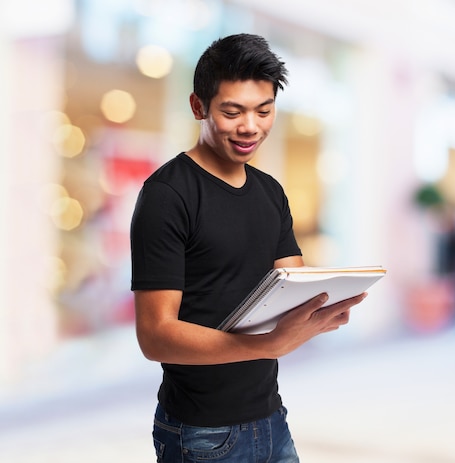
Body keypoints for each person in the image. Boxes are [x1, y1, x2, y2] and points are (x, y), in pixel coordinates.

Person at [130, 33, 367, 463]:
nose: (250, 127)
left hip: (271, 418)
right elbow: (154, 336)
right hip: (201, 433)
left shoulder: (271, 192)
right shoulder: (168, 194)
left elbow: (290, 284)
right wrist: (267, 345)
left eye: (264, 110)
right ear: (198, 106)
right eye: (232, 111)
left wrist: (322, 305)